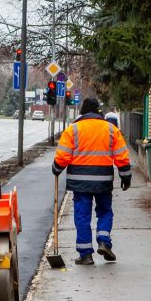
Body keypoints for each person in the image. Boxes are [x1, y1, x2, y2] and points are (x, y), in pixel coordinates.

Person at [52, 97, 131, 265]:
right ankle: (103, 241)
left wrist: (57, 168)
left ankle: (86, 254)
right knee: (104, 211)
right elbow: (121, 155)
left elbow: (63, 155)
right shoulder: (110, 129)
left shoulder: (73, 129)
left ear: (82, 111)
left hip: (80, 182)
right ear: (98, 111)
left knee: (82, 216)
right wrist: (126, 175)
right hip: (103, 180)